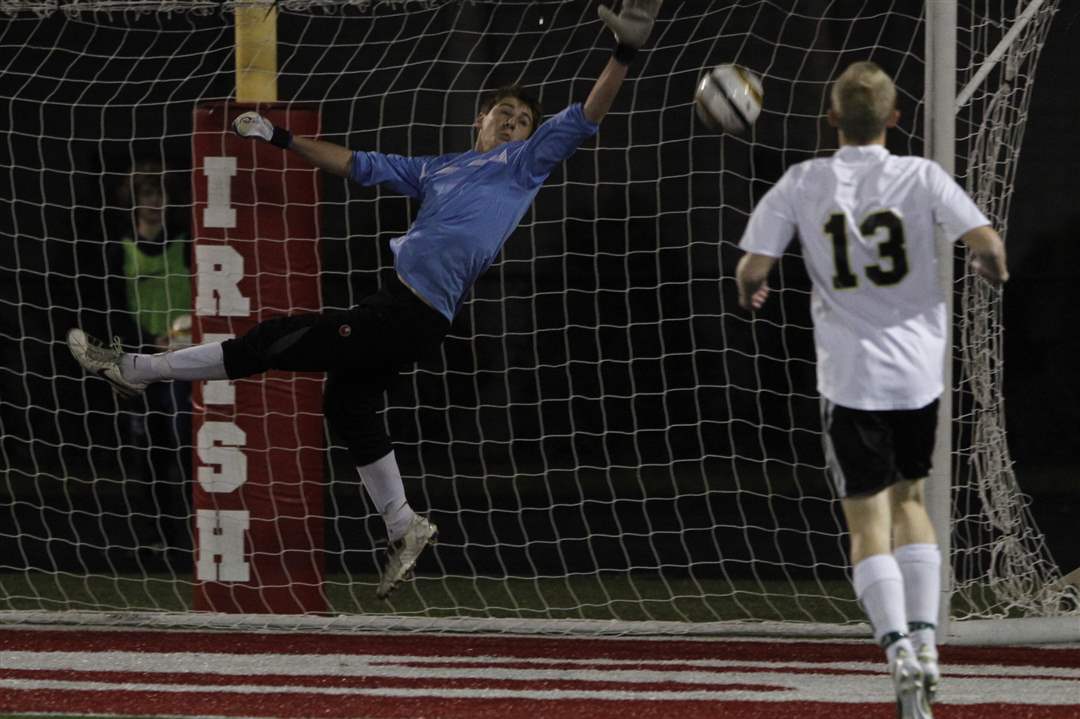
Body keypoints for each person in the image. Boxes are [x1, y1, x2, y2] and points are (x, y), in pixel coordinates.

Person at [67, 0, 664, 600]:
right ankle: (404, 525)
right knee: (348, 406)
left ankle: (137, 369)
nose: (513, 123)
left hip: (410, 313)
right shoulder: (439, 170)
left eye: (522, 119)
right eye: (503, 113)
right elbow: (355, 164)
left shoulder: (523, 165)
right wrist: (280, 136)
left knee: (273, 340)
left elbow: (588, 114)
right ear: (477, 122)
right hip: (401, 307)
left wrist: (625, 50)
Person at [734, 61, 1007, 718]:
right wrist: (986, 266)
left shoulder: (805, 181)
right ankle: (927, 643)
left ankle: (898, 651)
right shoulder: (922, 175)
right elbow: (989, 245)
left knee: (867, 518)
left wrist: (752, 290)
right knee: (912, 500)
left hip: (851, 378)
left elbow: (752, 267)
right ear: (895, 118)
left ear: (831, 119)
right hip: (918, 374)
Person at [108, 158, 194, 555]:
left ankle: (199, 527)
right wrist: (145, 340)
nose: (153, 201)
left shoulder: (183, 241)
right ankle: (156, 533)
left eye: (158, 194)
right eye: (146, 194)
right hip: (142, 359)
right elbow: (114, 305)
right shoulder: (120, 247)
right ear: (134, 200)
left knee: (190, 444)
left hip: (187, 356)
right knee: (150, 450)